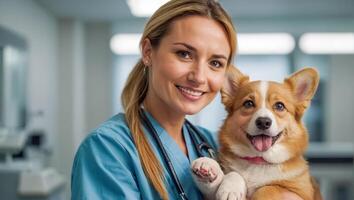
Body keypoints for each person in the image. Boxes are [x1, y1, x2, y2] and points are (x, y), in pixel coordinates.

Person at [71, 0, 303, 199]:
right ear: (148, 52)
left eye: (215, 63)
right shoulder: (109, 150)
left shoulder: (214, 145)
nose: (199, 77)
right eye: (184, 54)